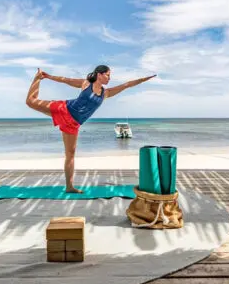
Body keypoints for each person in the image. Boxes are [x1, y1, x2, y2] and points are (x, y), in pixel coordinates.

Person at [26, 65, 156, 193]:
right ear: (99, 74)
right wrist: (48, 76)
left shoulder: (106, 93)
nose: (109, 78)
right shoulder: (86, 83)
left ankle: (69, 187)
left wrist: (144, 79)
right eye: (108, 75)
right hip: (64, 109)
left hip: (74, 124)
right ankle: (37, 77)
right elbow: (66, 80)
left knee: (70, 155)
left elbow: (127, 85)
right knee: (31, 101)